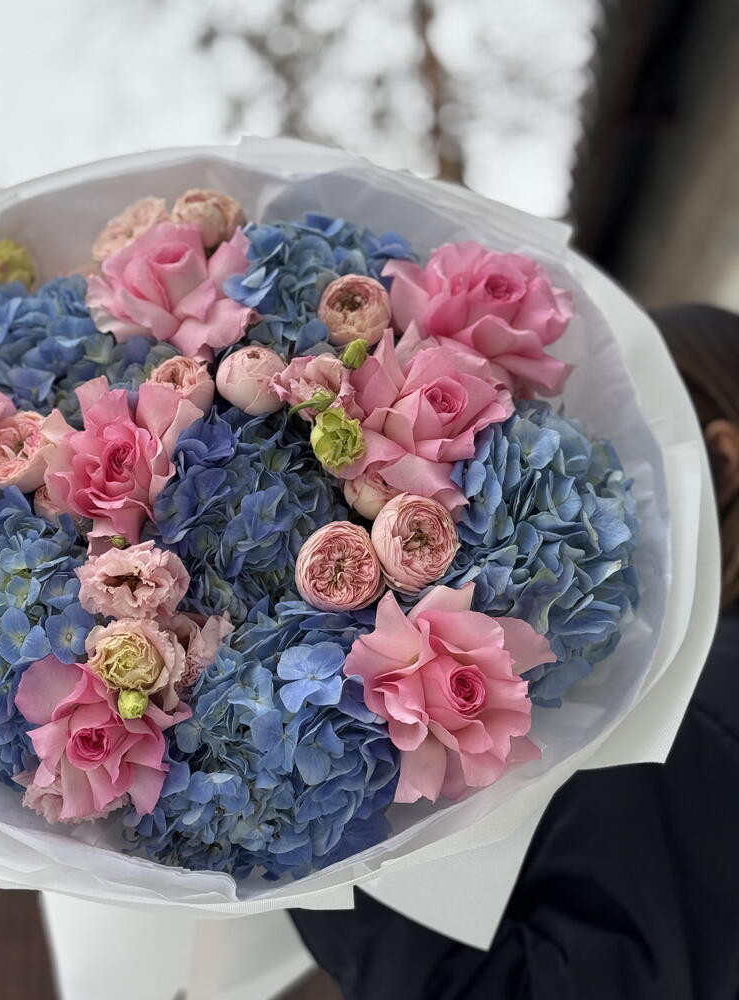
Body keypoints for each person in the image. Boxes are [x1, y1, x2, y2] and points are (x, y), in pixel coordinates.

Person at [289, 304, 739, 1000]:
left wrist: (317, 836)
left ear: (724, 460)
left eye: (635, 450)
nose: (604, 497)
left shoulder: (691, 717)